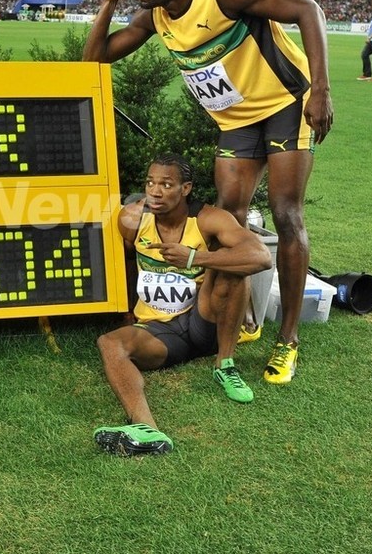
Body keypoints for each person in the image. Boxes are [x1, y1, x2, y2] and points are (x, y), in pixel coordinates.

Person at [82, 0, 333, 385]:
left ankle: (288, 340)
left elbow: (307, 10)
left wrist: (322, 90)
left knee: (286, 214)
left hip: (285, 105)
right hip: (236, 120)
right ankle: (241, 317)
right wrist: (108, 1)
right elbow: (94, 59)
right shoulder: (155, 16)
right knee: (225, 218)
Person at [94, 155, 272, 456]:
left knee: (235, 269)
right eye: (150, 183)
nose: (155, 191)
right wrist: (126, 314)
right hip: (159, 331)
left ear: (185, 188)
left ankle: (225, 365)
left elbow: (261, 257)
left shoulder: (209, 219)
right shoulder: (132, 219)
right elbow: (122, 264)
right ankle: (147, 430)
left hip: (203, 322)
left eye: (166, 184)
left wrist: (193, 258)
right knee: (110, 344)